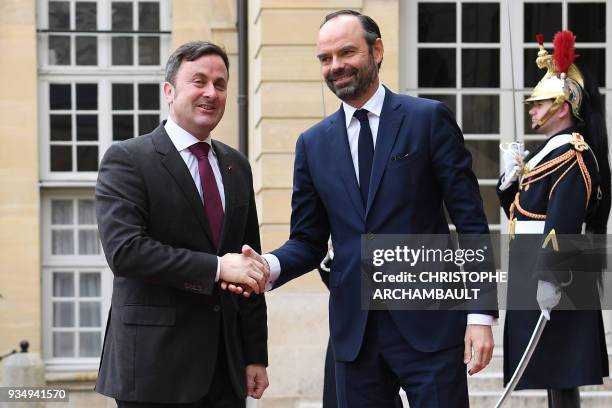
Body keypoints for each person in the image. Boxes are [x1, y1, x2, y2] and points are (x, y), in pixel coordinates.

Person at [232, 10, 497, 408]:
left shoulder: (428, 120)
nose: (335, 66)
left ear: (377, 50)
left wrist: (480, 315)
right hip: (355, 335)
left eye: (346, 52)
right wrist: (267, 267)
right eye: (325, 58)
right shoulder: (312, 144)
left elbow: (471, 221)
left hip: (430, 325)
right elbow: (307, 240)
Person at [95, 41, 269, 407]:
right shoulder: (128, 159)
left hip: (225, 369)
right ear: (169, 91)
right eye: (199, 81)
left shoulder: (237, 167)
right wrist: (219, 267)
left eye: (220, 85)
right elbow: (126, 252)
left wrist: (255, 354)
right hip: (154, 369)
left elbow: (249, 264)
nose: (211, 93)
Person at [497, 31, 610, 407]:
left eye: (539, 103)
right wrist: (508, 185)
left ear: (562, 107)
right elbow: (523, 214)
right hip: (538, 263)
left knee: (561, 373)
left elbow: (560, 223)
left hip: (557, 269)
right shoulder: (546, 153)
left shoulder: (572, 154)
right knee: (552, 373)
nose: (531, 109)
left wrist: (551, 276)